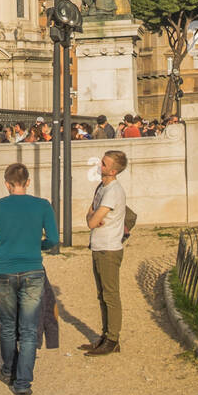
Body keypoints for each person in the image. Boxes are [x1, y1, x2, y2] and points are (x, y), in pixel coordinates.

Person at [0, 162, 59, 395]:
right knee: (28, 329)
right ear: (28, 182)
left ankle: (8, 370)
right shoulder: (42, 205)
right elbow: (54, 239)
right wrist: (38, 245)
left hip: (4, 268)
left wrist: (4, 247)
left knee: (7, 325)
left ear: (6, 184)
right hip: (32, 269)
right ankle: (23, 382)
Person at [82, 150, 128, 357]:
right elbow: (89, 216)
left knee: (110, 294)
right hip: (98, 245)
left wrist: (93, 217)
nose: (100, 166)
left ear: (113, 169)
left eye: (104, 163)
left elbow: (92, 221)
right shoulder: (101, 187)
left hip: (109, 247)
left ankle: (113, 338)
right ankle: (105, 334)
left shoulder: (113, 191)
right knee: (102, 294)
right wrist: (93, 216)